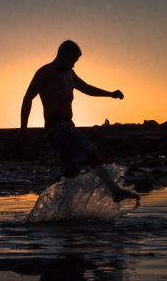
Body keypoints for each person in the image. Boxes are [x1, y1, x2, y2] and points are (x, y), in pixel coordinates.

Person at [19, 40, 138, 202]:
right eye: (73, 60)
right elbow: (27, 99)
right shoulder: (45, 72)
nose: (74, 65)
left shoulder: (70, 74)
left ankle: (60, 213)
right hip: (56, 127)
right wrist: (23, 131)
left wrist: (110, 94)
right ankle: (114, 191)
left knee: (70, 171)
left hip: (67, 125)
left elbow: (87, 88)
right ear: (62, 55)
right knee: (91, 151)